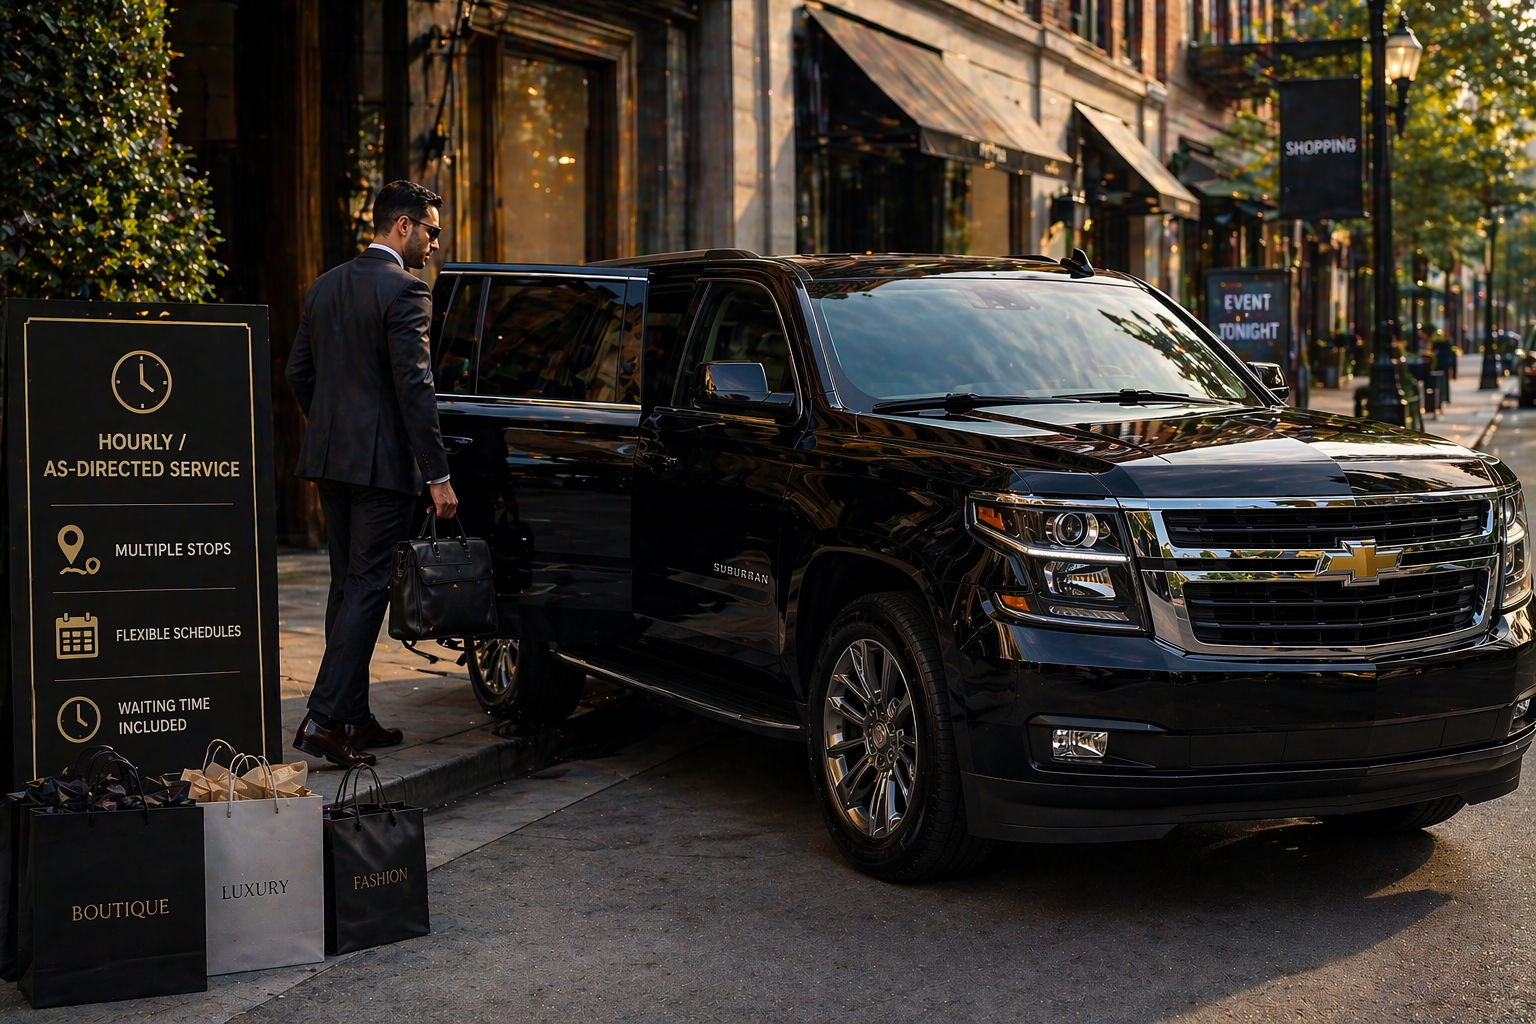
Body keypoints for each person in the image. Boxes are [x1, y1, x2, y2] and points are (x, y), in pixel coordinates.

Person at [285, 180, 459, 767]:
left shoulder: (325, 285)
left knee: (347, 585)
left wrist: (332, 427)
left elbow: (297, 373)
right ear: (403, 226)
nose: (436, 243)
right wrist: (437, 475)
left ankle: (353, 717)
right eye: (432, 230)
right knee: (367, 586)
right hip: (382, 469)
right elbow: (416, 387)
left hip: (331, 461)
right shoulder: (407, 291)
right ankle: (326, 718)